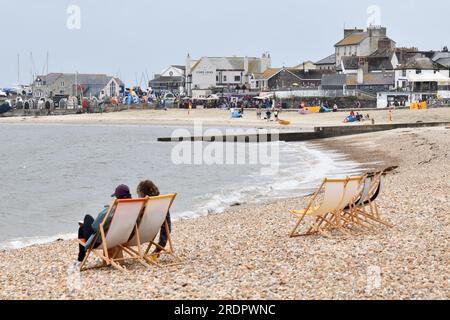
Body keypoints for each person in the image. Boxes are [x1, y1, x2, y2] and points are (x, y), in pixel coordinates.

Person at [76, 184, 132, 266]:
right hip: (122, 237)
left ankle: (80, 259)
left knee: (87, 218)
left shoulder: (111, 211)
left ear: (117, 197)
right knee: (82, 228)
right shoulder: (132, 209)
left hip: (103, 241)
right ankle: (80, 259)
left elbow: (95, 226)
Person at [136, 180, 171, 255]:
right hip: (150, 235)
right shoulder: (162, 205)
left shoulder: (141, 208)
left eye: (139, 194)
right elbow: (167, 227)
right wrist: (161, 245)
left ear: (142, 194)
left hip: (135, 237)